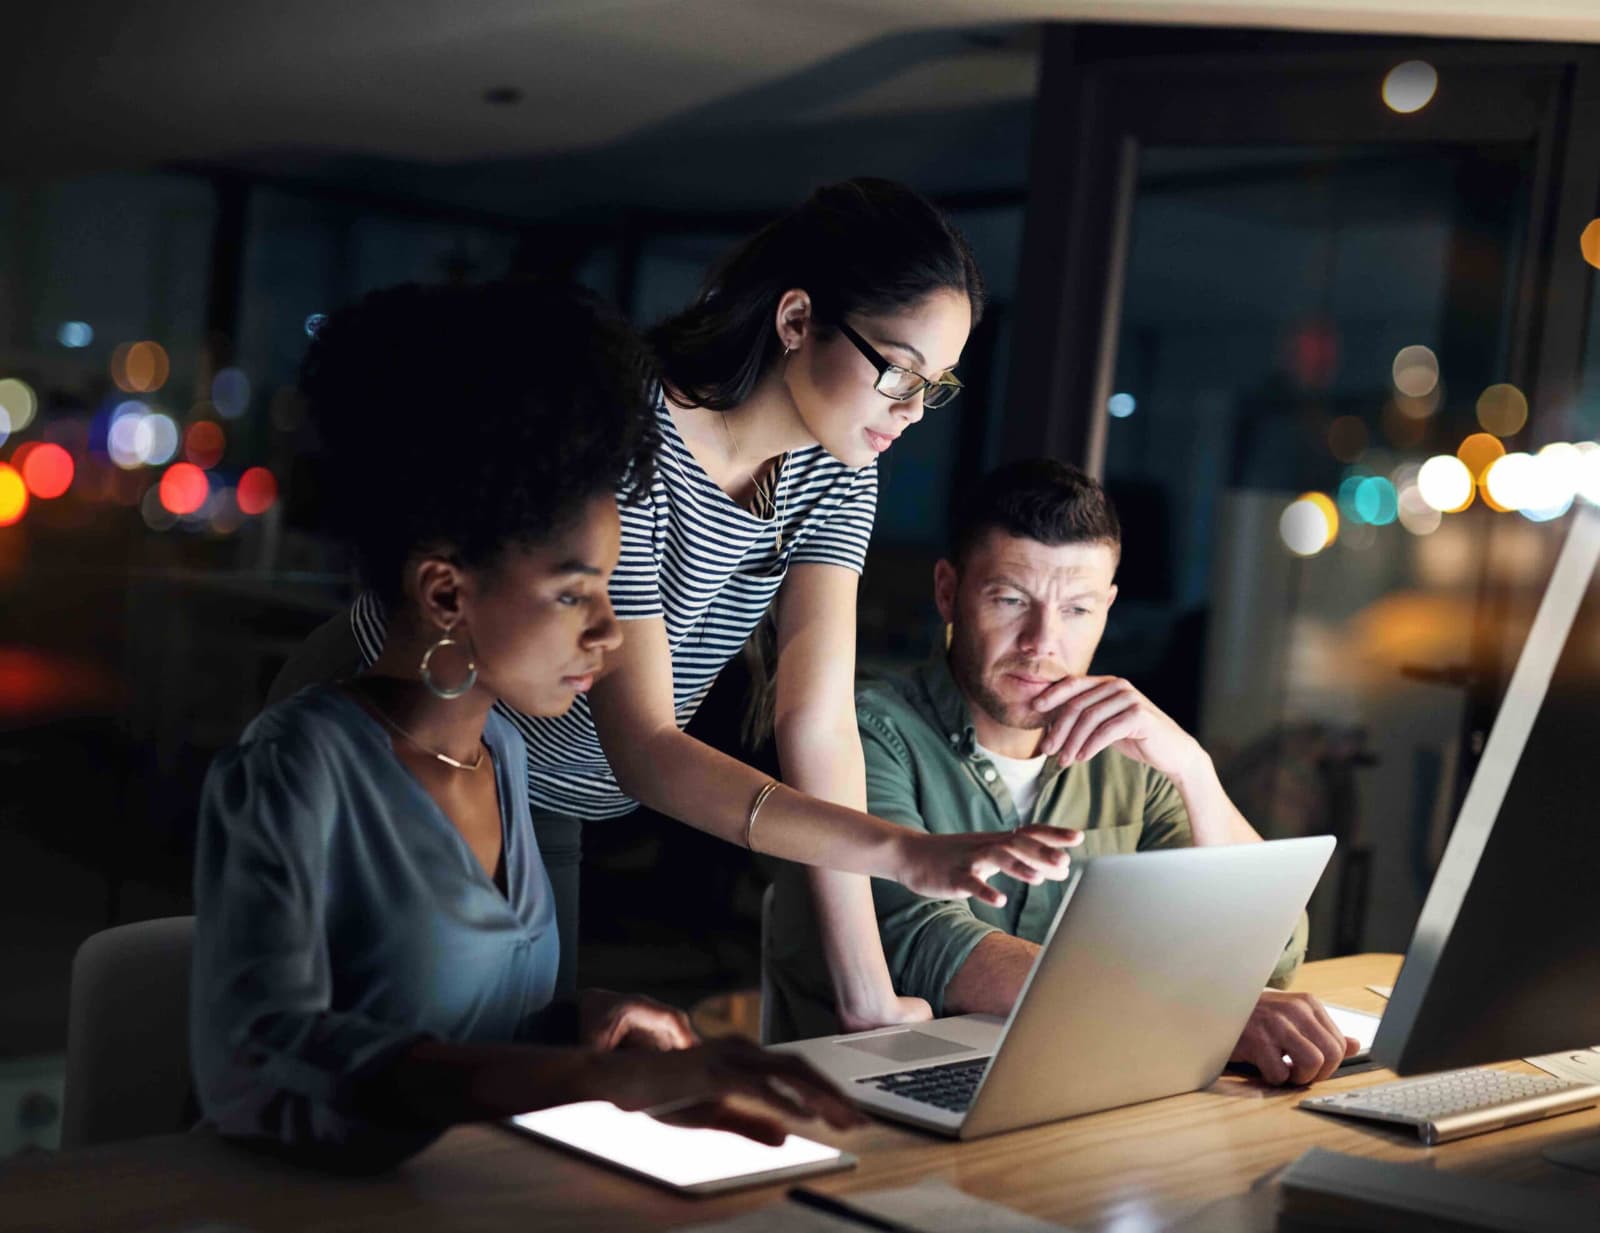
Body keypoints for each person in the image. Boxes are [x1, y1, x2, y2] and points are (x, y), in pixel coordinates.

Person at [338, 180, 1078, 1029]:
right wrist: (901, 850)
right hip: (417, 728)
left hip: (555, 788)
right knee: (389, 1050)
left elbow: (819, 723)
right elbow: (646, 745)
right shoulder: (629, 431)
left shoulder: (840, 472)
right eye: (899, 371)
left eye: (935, 385)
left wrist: (865, 989)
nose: (912, 411)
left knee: (518, 1058)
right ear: (797, 319)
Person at [190, 281, 863, 1171]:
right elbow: (261, 1064)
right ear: (445, 592)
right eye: (572, 593)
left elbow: (463, 1022)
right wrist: (590, 1082)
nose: (610, 630)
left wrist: (587, 1026)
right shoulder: (295, 769)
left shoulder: (501, 753)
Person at [767, 459, 1358, 1086]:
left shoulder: (1132, 753)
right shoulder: (865, 733)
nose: (1041, 641)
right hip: (865, 1104)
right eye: (1011, 599)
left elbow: (1275, 950)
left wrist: (1194, 769)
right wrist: (1189, 1008)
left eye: (1076, 610)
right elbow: (921, 943)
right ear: (949, 591)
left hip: (1069, 1088)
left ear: (1107, 608)